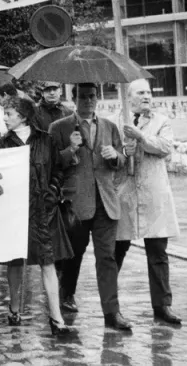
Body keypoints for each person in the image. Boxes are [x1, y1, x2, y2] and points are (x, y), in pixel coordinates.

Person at [0, 96, 75, 337]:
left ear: (23, 116)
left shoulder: (46, 140)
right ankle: (14, 308)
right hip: (15, 211)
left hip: (44, 211)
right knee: (15, 262)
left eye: (9, 113)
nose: (5, 118)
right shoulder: (1, 144)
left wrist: (53, 191)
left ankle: (56, 318)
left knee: (48, 262)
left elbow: (58, 169)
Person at [48, 83, 130, 330]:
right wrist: (70, 149)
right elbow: (50, 163)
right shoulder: (59, 127)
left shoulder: (109, 126)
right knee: (73, 254)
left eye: (92, 96)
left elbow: (123, 160)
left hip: (106, 201)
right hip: (75, 203)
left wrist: (115, 156)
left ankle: (112, 312)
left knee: (107, 257)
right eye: (83, 96)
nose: (88, 100)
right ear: (74, 98)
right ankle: (66, 292)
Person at [115, 79, 181, 325]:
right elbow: (107, 153)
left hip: (153, 194)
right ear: (129, 96)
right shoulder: (115, 121)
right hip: (125, 193)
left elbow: (165, 147)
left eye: (149, 92)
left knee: (158, 252)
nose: (146, 96)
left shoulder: (161, 121)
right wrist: (124, 151)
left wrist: (140, 137)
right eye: (141, 92)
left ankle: (162, 305)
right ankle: (110, 304)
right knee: (116, 250)